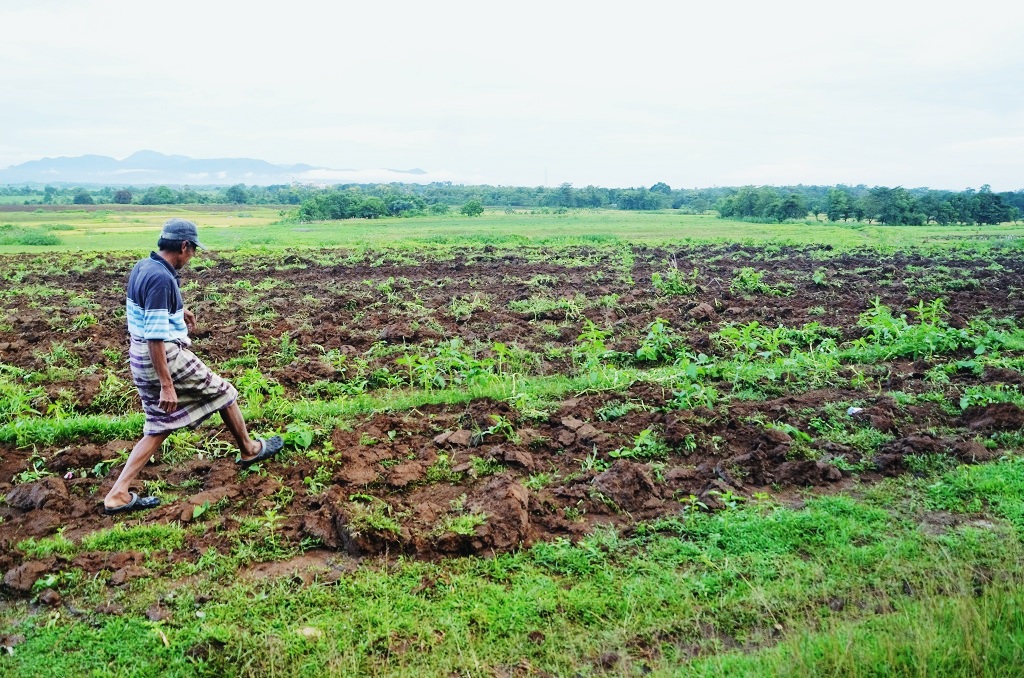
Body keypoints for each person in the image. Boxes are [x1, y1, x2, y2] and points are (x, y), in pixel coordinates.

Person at [103, 218, 282, 515]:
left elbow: (148, 312)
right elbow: (156, 336)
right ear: (184, 246)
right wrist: (167, 384)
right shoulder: (162, 279)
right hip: (164, 356)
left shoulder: (145, 267)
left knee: (159, 426)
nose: (192, 257)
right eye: (193, 250)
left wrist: (177, 311)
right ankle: (249, 449)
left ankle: (118, 494)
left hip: (139, 355)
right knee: (225, 393)